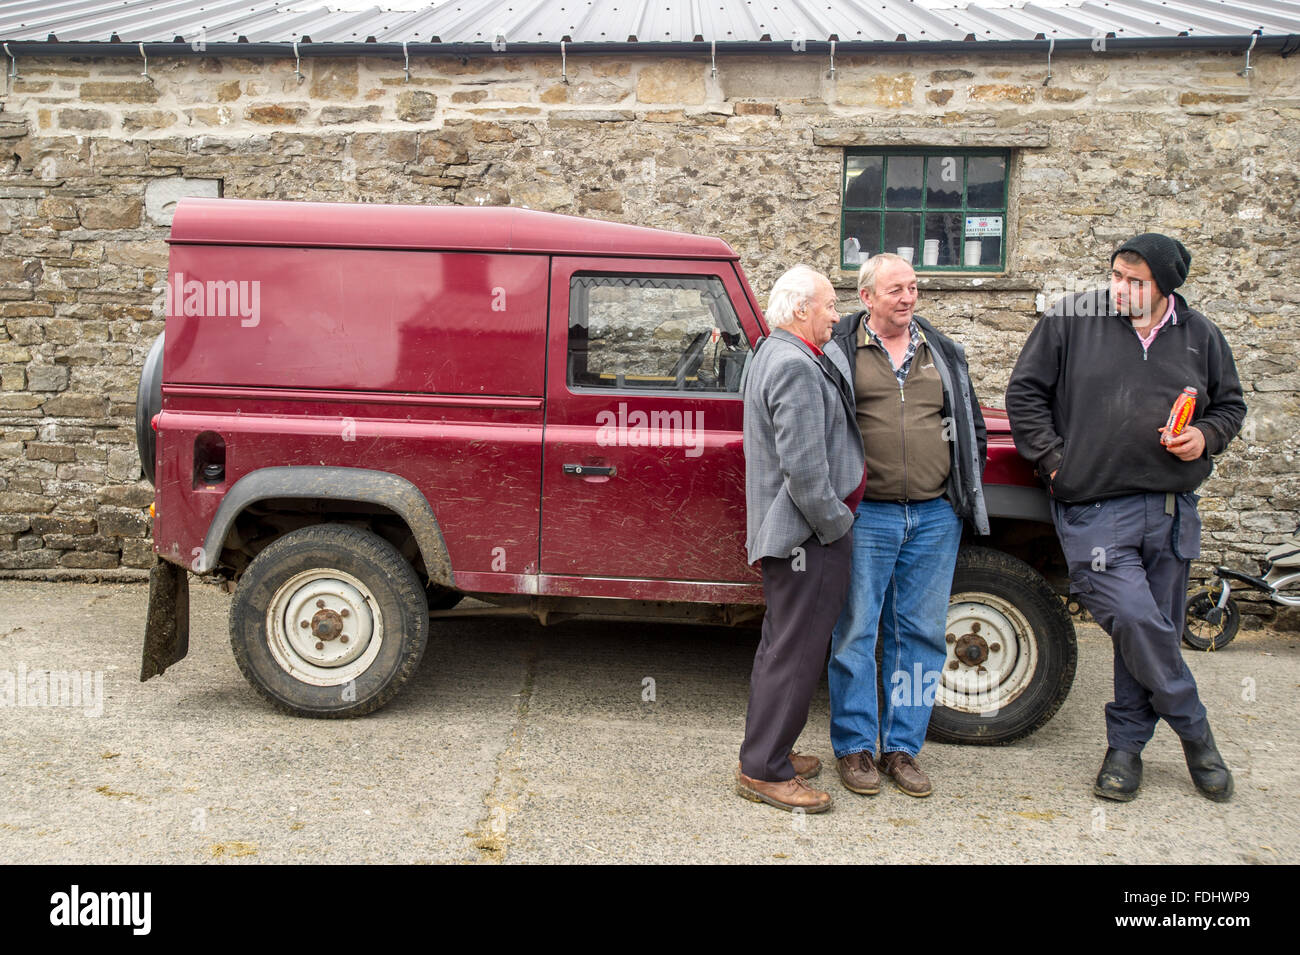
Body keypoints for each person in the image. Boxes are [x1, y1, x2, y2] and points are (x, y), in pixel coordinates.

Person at [1005, 232, 1246, 802]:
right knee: (1138, 622)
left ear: (1165, 287)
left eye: (1135, 282)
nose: (1120, 288)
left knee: (1146, 636)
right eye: (1116, 276)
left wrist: (1205, 437)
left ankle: (1125, 751)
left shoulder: (1201, 336)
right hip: (1093, 508)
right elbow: (1025, 395)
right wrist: (1057, 463)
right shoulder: (1072, 321)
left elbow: (1230, 405)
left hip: (1169, 511)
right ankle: (1197, 733)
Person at [826, 253, 988, 798]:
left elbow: (971, 425)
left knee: (918, 635)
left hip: (934, 515)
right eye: (896, 289)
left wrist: (961, 489)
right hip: (866, 513)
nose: (908, 297)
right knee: (856, 631)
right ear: (866, 296)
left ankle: (902, 749)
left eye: (913, 287)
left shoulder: (942, 351)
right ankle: (854, 748)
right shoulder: (842, 350)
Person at [736, 265, 866, 813]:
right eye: (830, 305)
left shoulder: (775, 351)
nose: (837, 316)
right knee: (795, 652)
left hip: (798, 536)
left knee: (782, 647)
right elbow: (806, 472)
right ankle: (766, 770)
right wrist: (838, 525)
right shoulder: (793, 365)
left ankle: (769, 752)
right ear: (799, 310)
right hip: (807, 536)